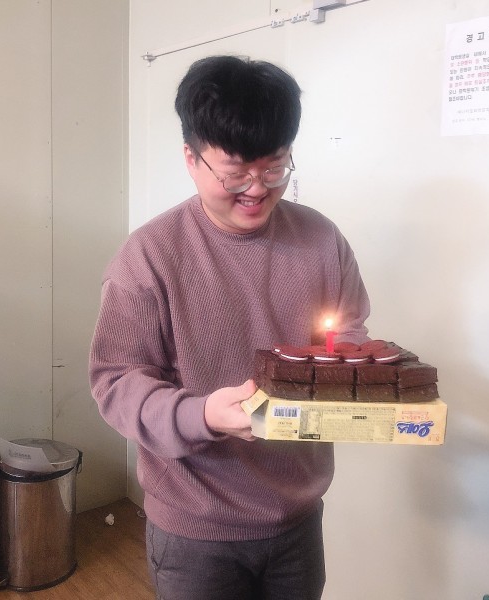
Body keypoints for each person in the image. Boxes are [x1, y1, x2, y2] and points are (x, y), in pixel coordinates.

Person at [89, 55, 371, 600]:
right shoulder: (148, 257)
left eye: (275, 167)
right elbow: (116, 384)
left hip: (297, 516)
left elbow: (350, 328)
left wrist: (346, 366)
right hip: (196, 529)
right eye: (235, 172)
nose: (257, 189)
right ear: (191, 158)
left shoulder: (321, 240)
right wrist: (201, 416)